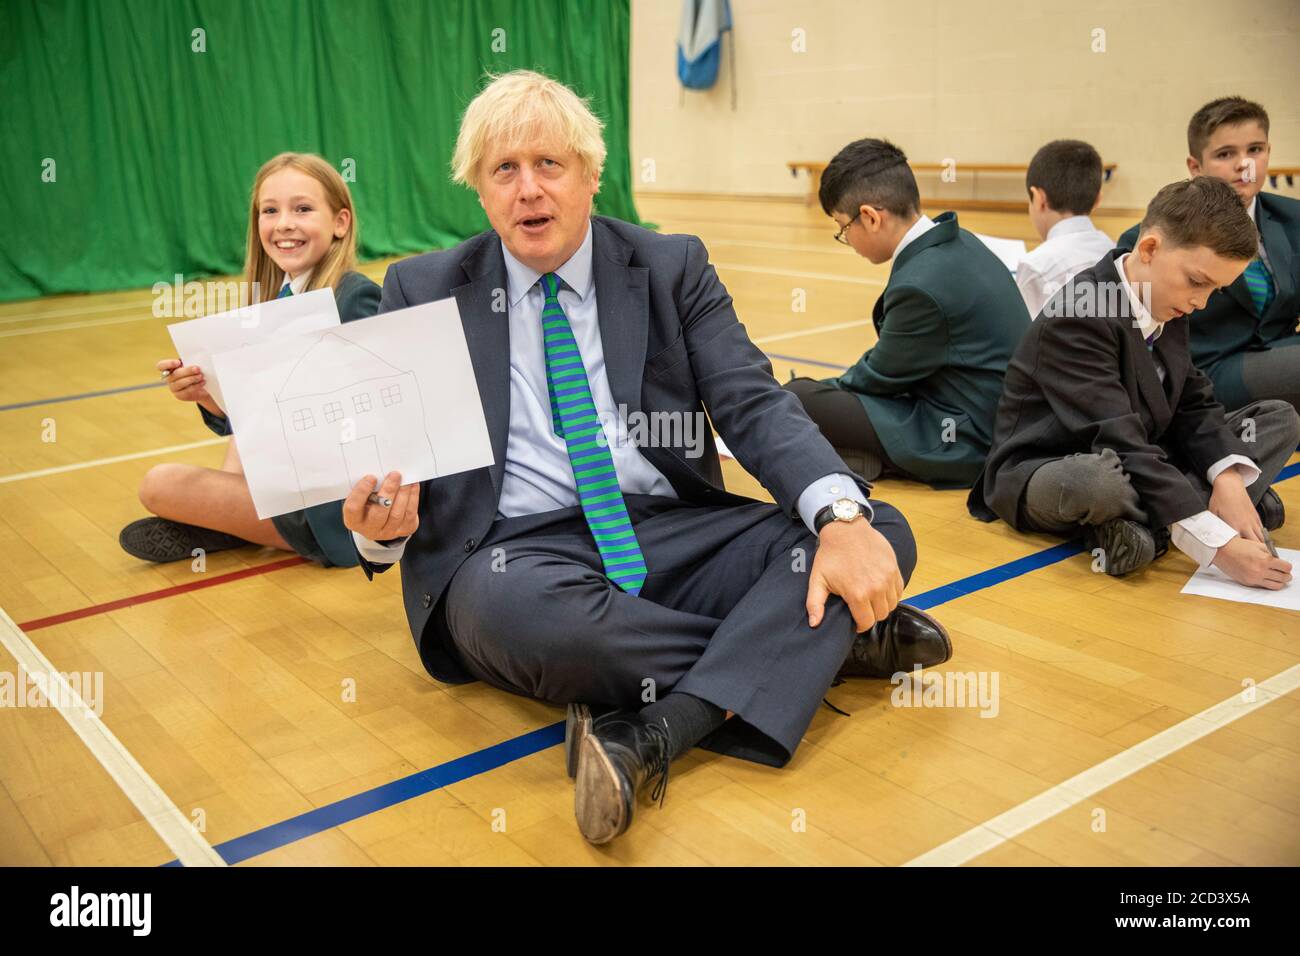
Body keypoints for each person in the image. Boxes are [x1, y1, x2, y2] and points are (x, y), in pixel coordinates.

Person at [341, 71, 951, 845]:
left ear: (592, 176)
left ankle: (658, 730)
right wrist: (378, 532)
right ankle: (831, 640)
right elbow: (393, 471)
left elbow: (752, 402)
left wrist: (836, 519)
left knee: (875, 527)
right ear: (480, 192)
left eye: (549, 165)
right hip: (517, 558)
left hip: (667, 528)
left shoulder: (670, 266)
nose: (528, 189)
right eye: (504, 170)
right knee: (536, 623)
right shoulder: (421, 290)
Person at [969, 176, 1298, 589]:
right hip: (1059, 464)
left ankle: (1152, 526)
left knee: (1279, 418)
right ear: (1149, 249)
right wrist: (1220, 549)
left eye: (1216, 289)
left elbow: (1192, 402)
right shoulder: (1079, 313)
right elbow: (1117, 439)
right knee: (1098, 482)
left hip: (1140, 452)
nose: (1202, 301)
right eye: (1199, 282)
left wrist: (1230, 478)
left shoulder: (1166, 294)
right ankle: (1188, 512)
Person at [120, 153, 381, 566]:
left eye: (303, 209)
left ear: (340, 223)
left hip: (328, 506)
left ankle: (229, 524)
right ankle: (232, 522)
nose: (283, 224)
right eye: (270, 211)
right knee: (238, 442)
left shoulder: (353, 295)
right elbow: (256, 422)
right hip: (286, 476)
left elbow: (370, 418)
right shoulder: (279, 298)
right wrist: (208, 396)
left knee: (158, 485)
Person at [785, 138, 1030, 488]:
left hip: (970, 440)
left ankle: (879, 457)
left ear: (869, 217)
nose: (846, 239)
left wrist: (811, 391)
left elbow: (877, 377)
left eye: (842, 228)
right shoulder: (960, 241)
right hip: (994, 417)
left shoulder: (920, 285)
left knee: (797, 399)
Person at [1118, 96, 1300, 411]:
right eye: (1226, 154)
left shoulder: (1292, 217)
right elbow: (1131, 341)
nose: (1244, 164)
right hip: (1206, 372)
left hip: (1282, 349)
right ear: (1195, 166)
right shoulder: (1150, 239)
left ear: (1269, 152)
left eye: (1254, 150)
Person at [1016, 139, 1116, 318]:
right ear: (1098, 200)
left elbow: (1023, 338)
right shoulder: (1116, 251)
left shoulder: (1036, 266)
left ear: (1039, 199)